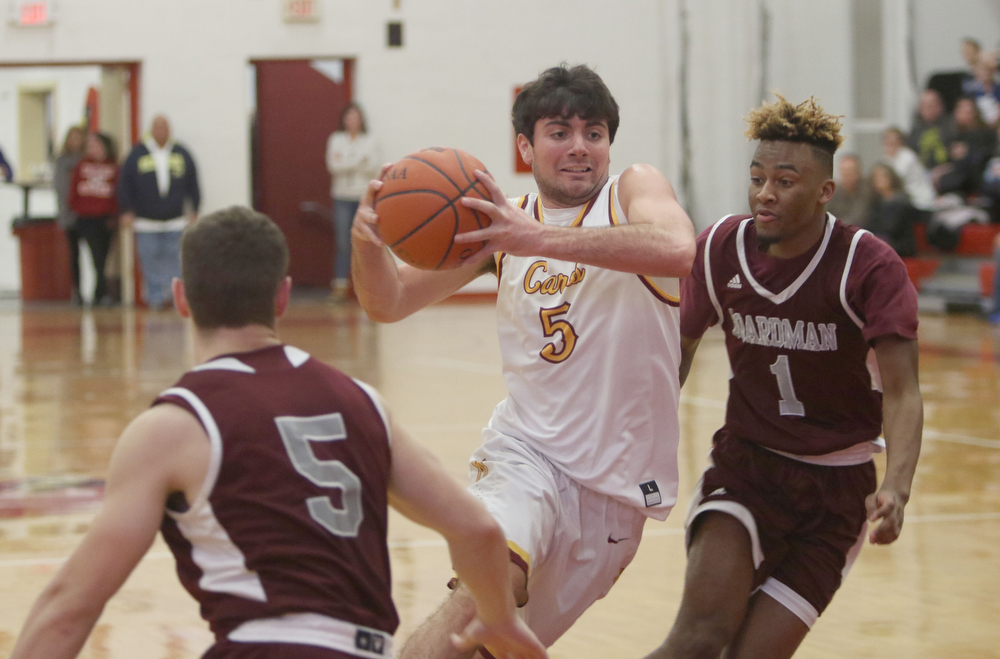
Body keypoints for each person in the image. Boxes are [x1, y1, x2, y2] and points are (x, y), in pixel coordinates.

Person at [10, 206, 548, 659]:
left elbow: (69, 607)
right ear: (283, 296)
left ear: (180, 298)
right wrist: (499, 619)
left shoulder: (174, 425)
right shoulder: (362, 403)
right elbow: (478, 531)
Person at [351, 63, 696, 656]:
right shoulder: (496, 226)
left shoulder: (633, 190)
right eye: (559, 132)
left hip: (616, 485)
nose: (579, 147)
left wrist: (532, 239)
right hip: (525, 455)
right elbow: (389, 302)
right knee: (473, 607)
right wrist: (366, 245)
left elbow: (678, 248)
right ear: (525, 146)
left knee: (489, 649)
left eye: (594, 132)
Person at [641, 95, 923, 659]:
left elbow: (903, 390)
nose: (766, 192)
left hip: (837, 493)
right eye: (757, 177)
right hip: (748, 468)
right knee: (698, 639)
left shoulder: (867, 265)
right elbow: (680, 346)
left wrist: (896, 485)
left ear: (824, 191)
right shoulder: (721, 247)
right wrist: (641, 438)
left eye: (785, 181)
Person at [118, 114, 201, 310]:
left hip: (175, 220)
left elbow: (193, 182)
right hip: (145, 221)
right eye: (157, 127)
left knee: (174, 260)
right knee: (149, 259)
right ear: (151, 129)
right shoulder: (137, 154)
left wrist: (194, 209)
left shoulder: (181, 153)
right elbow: (125, 184)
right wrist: (126, 210)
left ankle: (173, 297)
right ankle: (155, 297)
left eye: (165, 127)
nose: (161, 131)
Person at [326, 103, 380, 300]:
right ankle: (340, 287)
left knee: (366, 241)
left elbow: (373, 166)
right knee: (342, 242)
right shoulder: (336, 139)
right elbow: (333, 166)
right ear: (343, 119)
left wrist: (346, 162)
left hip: (363, 197)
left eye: (356, 117)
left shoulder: (370, 140)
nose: (352, 121)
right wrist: (359, 161)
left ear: (361, 120)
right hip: (341, 195)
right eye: (349, 117)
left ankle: (368, 288)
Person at [67, 132, 119, 305]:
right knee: (91, 256)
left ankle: (100, 293)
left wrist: (113, 214)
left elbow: (117, 193)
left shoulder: (113, 166)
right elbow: (73, 190)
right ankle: (90, 292)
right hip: (85, 218)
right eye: (90, 146)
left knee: (102, 258)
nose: (93, 149)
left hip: (104, 218)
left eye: (96, 145)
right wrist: (76, 208)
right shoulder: (82, 164)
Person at [53, 126, 86, 304]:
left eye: (79, 137)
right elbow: (61, 188)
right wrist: (66, 211)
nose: (76, 142)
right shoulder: (62, 162)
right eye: (72, 138)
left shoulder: (87, 160)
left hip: (88, 214)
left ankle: (100, 290)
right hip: (69, 214)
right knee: (74, 255)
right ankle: (77, 291)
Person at [867, 163, 918, 257]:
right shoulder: (875, 201)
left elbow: (892, 227)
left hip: (900, 245)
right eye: (876, 177)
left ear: (891, 177)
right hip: (881, 241)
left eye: (883, 176)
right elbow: (869, 224)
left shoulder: (901, 200)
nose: (879, 180)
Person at [880, 127, 936, 211]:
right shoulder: (886, 159)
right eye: (887, 142)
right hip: (903, 196)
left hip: (918, 198)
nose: (890, 145)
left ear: (900, 142)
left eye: (894, 142)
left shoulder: (908, 156)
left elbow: (895, 180)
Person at [907, 89, 956, 171]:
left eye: (932, 105)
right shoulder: (915, 130)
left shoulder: (952, 125)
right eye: (925, 106)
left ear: (940, 106)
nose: (928, 109)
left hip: (947, 171)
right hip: (921, 172)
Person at [826, 153, 872, 227]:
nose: (846, 176)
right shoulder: (834, 191)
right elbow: (825, 215)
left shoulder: (866, 191)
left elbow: (858, 218)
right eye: (844, 172)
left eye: (850, 172)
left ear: (858, 172)